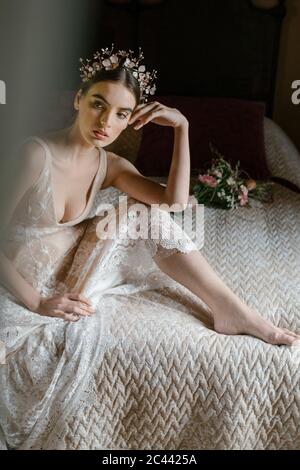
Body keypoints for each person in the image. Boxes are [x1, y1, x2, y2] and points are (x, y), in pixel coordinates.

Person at [0, 44, 299, 450]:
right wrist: (37, 302)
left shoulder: (111, 166)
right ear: (77, 99)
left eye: (121, 114)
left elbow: (173, 203)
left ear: (132, 120)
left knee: (146, 214)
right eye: (97, 105)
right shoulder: (35, 154)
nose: (106, 122)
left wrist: (182, 128)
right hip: (23, 280)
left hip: (70, 265)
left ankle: (229, 309)